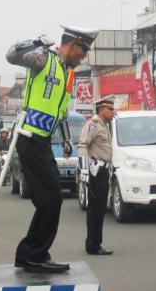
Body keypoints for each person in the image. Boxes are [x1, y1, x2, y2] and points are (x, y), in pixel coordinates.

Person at [6, 25, 98, 273]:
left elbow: (61, 113)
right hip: (30, 136)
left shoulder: (66, 73)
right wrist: (35, 41)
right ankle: (32, 254)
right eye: (83, 51)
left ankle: (30, 254)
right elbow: (11, 55)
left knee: (51, 199)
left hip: (43, 140)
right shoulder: (44, 59)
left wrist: (66, 138)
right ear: (73, 45)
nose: (84, 57)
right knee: (51, 199)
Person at [78, 96, 115, 255]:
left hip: (104, 170)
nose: (113, 112)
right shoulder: (93, 125)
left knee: (99, 210)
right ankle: (93, 245)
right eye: (110, 109)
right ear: (101, 109)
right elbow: (82, 146)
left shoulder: (105, 126)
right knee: (95, 210)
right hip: (95, 171)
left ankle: (95, 243)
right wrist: (84, 170)